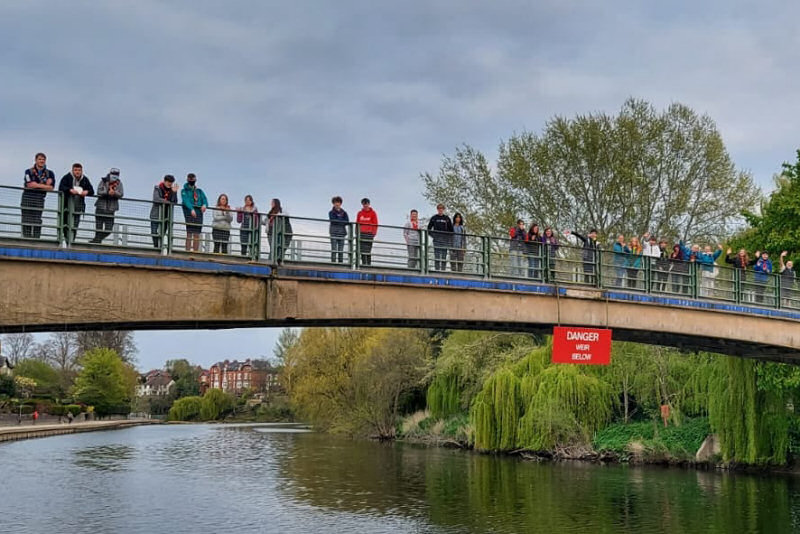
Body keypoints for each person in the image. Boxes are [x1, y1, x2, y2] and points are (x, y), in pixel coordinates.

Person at [20, 152, 55, 239]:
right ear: (35, 160)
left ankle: (36, 238)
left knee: (37, 219)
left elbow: (51, 188)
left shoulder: (50, 173)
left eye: (43, 159)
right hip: (27, 198)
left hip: (40, 199)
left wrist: (37, 185)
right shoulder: (28, 171)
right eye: (39, 159)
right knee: (26, 219)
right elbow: (30, 185)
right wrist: (44, 185)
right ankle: (26, 238)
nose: (41, 161)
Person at [58, 163, 94, 244]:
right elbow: (61, 187)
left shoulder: (85, 179)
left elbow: (92, 191)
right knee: (65, 225)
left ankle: (72, 242)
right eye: (76, 170)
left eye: (79, 170)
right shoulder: (66, 177)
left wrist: (86, 192)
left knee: (74, 226)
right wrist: (70, 190)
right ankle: (67, 241)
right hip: (66, 206)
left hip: (78, 207)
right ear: (72, 170)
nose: (77, 172)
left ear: (82, 171)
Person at [90, 168, 124, 244]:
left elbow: (121, 194)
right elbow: (99, 191)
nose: (115, 176)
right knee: (98, 228)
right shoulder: (103, 181)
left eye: (116, 174)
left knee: (109, 229)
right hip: (100, 207)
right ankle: (97, 242)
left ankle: (97, 240)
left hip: (111, 210)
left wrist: (114, 193)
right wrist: (107, 192)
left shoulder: (119, 183)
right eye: (113, 174)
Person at [181, 173, 208, 252]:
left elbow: (205, 199)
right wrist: (191, 209)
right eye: (190, 179)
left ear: (195, 180)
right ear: (187, 180)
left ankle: (195, 252)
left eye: (193, 179)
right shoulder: (184, 191)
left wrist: (205, 205)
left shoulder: (199, 191)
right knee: (189, 233)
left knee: (197, 234)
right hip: (189, 213)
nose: (192, 180)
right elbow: (185, 200)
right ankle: (187, 251)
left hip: (199, 213)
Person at [150, 175, 178, 249]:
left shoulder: (172, 190)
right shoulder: (158, 188)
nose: (170, 184)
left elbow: (175, 202)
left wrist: (174, 192)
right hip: (156, 214)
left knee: (162, 233)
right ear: (164, 181)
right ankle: (156, 247)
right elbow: (156, 199)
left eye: (171, 182)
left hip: (166, 215)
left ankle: (160, 248)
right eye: (168, 182)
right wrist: (167, 202)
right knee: (154, 232)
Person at [428, 204, 454, 271]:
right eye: (439, 208)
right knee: (437, 256)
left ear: (443, 209)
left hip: (444, 241)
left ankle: (443, 270)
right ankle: (437, 270)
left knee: (443, 256)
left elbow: (451, 231)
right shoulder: (434, 218)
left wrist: (447, 237)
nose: (440, 210)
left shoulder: (447, 218)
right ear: (437, 209)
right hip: (436, 240)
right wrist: (434, 236)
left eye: (442, 208)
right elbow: (428, 229)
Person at [356, 198, 378, 266]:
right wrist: (357, 233)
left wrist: (374, 233)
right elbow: (357, 223)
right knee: (362, 250)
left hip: (369, 234)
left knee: (368, 250)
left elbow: (375, 224)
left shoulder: (373, 213)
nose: (365, 205)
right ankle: (363, 264)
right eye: (364, 204)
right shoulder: (359, 213)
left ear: (369, 204)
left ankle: (368, 264)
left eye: (366, 203)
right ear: (362, 204)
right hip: (361, 233)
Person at [328, 196, 349, 264]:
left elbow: (347, 222)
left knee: (341, 250)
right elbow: (333, 220)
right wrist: (341, 220)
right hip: (333, 232)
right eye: (335, 202)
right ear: (333, 204)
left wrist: (338, 220)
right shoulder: (331, 212)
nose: (337, 204)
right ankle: (333, 263)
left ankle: (340, 263)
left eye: (338, 202)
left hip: (342, 233)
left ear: (340, 203)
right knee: (334, 249)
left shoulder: (344, 212)